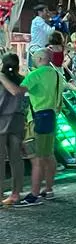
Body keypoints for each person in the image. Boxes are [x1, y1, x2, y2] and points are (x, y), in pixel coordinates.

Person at [3, 49, 62, 205]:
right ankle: (48, 190)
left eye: (34, 58)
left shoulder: (35, 75)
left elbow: (17, 91)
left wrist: (2, 77)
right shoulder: (56, 74)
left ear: (40, 58)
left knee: (36, 159)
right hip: (50, 117)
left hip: (36, 119)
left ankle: (34, 195)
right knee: (48, 155)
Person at [0, 53, 26, 206]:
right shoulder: (23, 80)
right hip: (17, 120)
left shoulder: (1, 80)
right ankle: (16, 193)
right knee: (16, 159)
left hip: (1, 120)